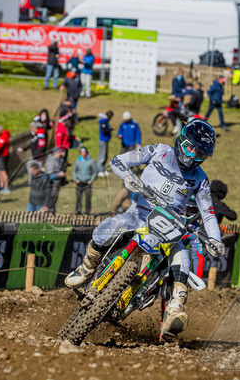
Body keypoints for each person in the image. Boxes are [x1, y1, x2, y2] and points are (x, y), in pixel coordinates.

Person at [65, 119, 224, 338]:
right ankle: (87, 267)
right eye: (191, 149)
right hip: (139, 213)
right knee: (109, 225)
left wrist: (215, 239)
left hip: (171, 227)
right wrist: (128, 176)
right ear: (181, 141)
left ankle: (175, 307)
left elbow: (208, 212)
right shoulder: (159, 151)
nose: (193, 157)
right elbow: (117, 161)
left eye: (200, 155)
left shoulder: (201, 180)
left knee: (182, 255)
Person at [72, 147, 98, 215]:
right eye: (82, 153)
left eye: (84, 152)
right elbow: (74, 171)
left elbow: (95, 171)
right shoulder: (77, 161)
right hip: (79, 182)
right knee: (78, 197)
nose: (83, 154)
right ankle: (78, 211)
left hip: (87, 182)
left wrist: (91, 180)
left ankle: (87, 212)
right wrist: (75, 179)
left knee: (88, 198)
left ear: (86, 153)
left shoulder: (91, 161)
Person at [45, 147, 66, 212]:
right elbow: (49, 174)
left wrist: (63, 157)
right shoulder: (50, 161)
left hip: (57, 182)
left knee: (55, 197)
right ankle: (49, 212)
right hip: (52, 182)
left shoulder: (58, 159)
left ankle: (53, 211)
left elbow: (62, 166)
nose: (60, 153)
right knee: (52, 197)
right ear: (55, 153)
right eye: (59, 152)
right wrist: (59, 174)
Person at [97, 111, 114, 177]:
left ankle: (104, 169)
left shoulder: (105, 121)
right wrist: (110, 129)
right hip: (103, 140)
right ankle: (100, 170)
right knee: (102, 155)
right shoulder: (104, 121)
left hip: (106, 140)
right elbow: (104, 131)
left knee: (105, 155)